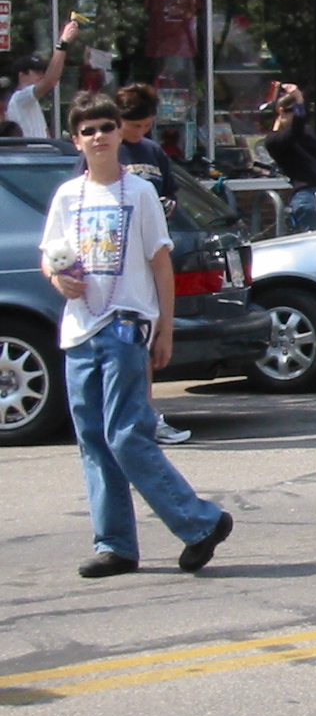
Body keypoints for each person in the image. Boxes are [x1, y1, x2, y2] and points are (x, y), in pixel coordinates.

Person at [42, 92, 233, 579]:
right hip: (79, 330)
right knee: (92, 440)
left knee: (127, 435)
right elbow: (51, 255)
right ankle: (116, 545)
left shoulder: (140, 193)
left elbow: (159, 263)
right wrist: (56, 277)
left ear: (119, 133)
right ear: (76, 141)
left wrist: (163, 329)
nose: (99, 136)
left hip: (126, 325)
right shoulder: (68, 197)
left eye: (107, 127)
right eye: (88, 131)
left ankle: (199, 522)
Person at [108, 84, 188, 447]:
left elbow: (170, 190)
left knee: (146, 335)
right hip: (113, 257)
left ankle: (147, 414)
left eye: (144, 126)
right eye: (133, 125)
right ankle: (130, 416)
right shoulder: (107, 149)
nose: (138, 133)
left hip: (149, 251)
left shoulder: (152, 152)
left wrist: (166, 203)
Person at [263, 83, 316, 233]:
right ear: (280, 112)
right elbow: (294, 131)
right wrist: (299, 100)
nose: (299, 116)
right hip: (309, 195)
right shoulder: (274, 140)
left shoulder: (306, 132)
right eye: (294, 111)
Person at [8, 20, 82, 138]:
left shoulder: (31, 101)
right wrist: (63, 42)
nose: (41, 75)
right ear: (22, 75)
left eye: (42, 72)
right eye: (36, 72)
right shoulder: (19, 98)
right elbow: (50, 81)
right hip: (31, 155)